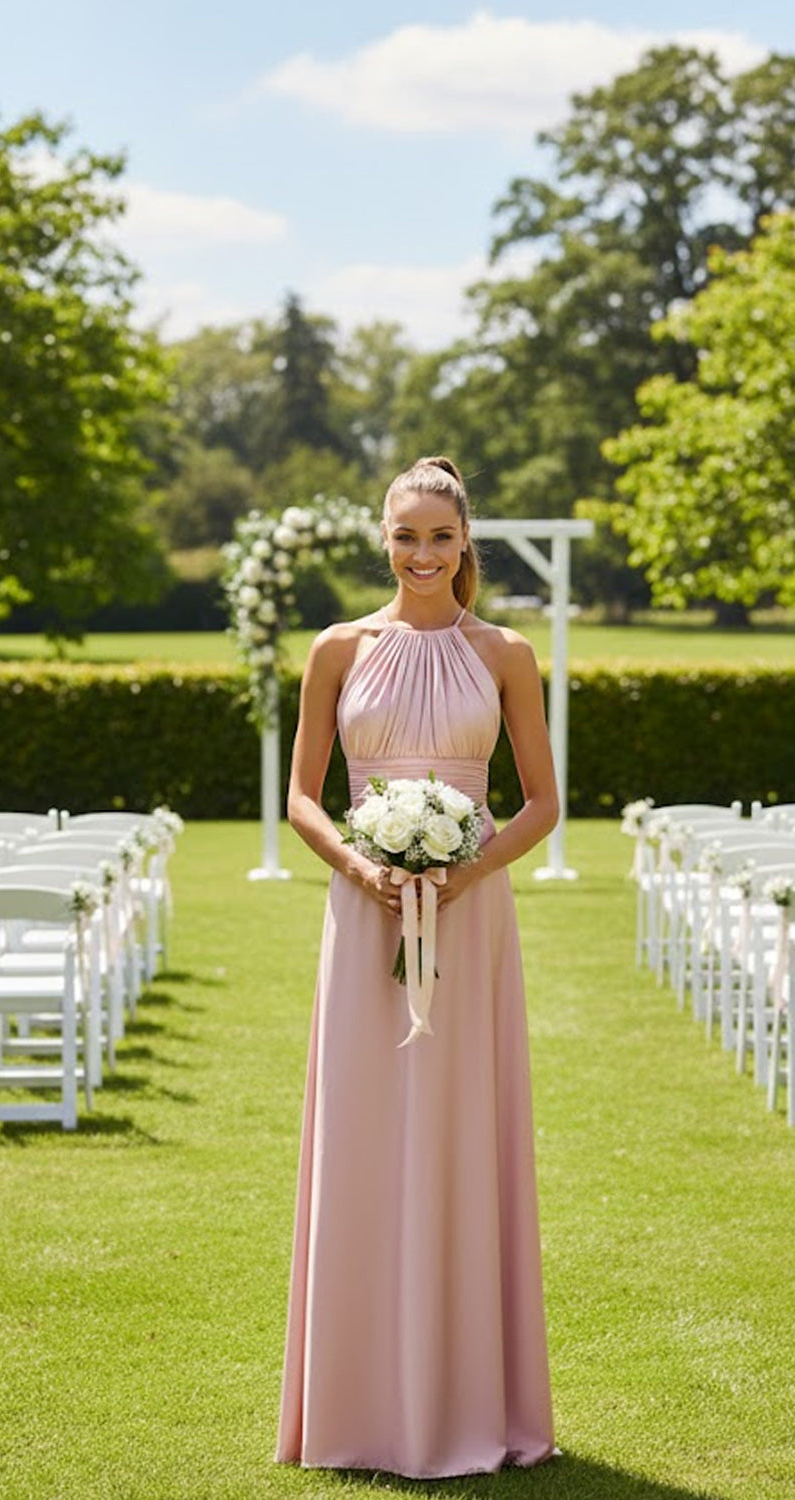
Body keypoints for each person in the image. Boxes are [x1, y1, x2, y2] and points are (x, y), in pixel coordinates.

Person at [275, 455, 559, 1478]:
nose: (423, 554)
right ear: (381, 538)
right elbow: (303, 796)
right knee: (363, 1134)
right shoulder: (336, 649)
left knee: (458, 1132)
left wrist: (466, 870)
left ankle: (465, 1401)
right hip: (364, 919)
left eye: (441, 537)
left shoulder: (507, 653)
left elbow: (541, 801)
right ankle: (357, 1409)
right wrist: (362, 865)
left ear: (465, 543)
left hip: (471, 922)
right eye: (407, 536)